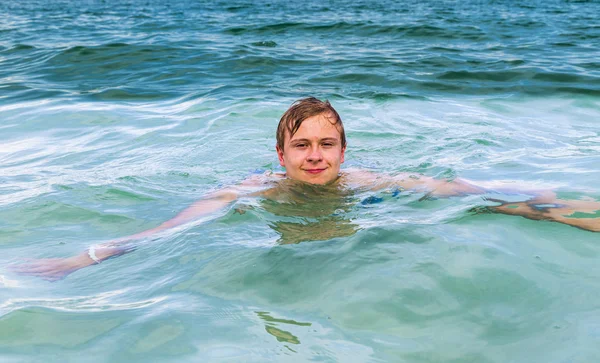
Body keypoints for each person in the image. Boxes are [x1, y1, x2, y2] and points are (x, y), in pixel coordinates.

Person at [12, 97, 600, 281]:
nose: (314, 156)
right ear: (280, 155)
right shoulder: (255, 191)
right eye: (302, 146)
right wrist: (80, 258)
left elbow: (460, 189)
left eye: (326, 145)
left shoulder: (370, 181)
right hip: (287, 250)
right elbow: (173, 230)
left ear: (344, 153)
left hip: (355, 233)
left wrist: (554, 204)